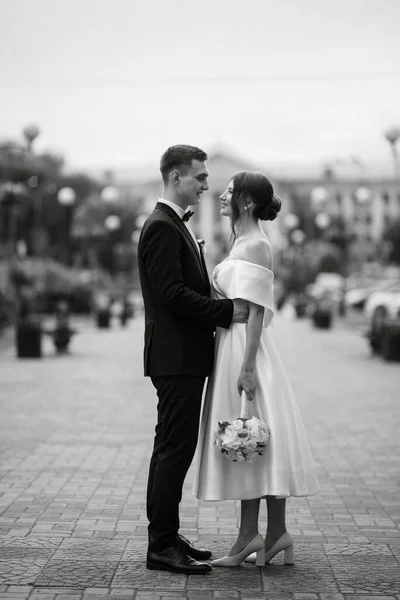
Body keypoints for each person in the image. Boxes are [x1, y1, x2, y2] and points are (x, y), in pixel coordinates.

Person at [193, 171, 320, 567]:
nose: (222, 196)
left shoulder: (256, 245)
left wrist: (247, 367)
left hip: (247, 351)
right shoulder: (240, 241)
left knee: (256, 436)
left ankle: (266, 534)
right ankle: (260, 535)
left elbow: (257, 311)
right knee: (249, 442)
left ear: (247, 202)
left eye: (231, 192)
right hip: (231, 345)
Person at [137, 145, 249, 575]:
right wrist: (226, 312)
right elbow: (171, 295)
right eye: (200, 177)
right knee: (174, 451)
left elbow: (184, 288)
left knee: (171, 449)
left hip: (181, 355)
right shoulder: (163, 226)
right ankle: (161, 545)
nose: (206, 185)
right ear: (176, 178)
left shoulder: (172, 224)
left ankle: (165, 535)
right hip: (176, 356)